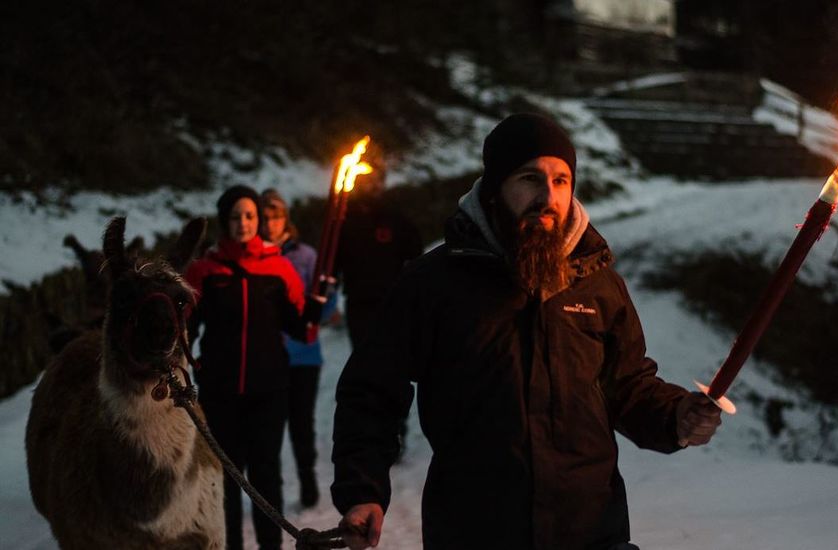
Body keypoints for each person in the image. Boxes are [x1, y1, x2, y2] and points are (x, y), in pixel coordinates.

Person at [330, 113, 723, 550]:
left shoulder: (598, 283)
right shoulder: (434, 284)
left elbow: (628, 386)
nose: (548, 196)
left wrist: (676, 418)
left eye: (560, 180)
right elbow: (371, 391)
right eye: (530, 179)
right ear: (496, 189)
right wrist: (363, 490)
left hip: (591, 532)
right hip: (474, 531)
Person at [186, 185, 321, 550]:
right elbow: (184, 327)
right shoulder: (204, 271)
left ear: (258, 220)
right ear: (224, 221)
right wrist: (191, 362)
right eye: (235, 216)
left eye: (249, 216)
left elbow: (301, 330)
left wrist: (315, 307)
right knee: (225, 480)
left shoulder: (278, 267)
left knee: (266, 478)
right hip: (219, 394)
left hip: (269, 392)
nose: (243, 223)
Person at [260, 188, 337, 508]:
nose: (270, 223)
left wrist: (327, 293)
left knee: (301, 424)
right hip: (266, 357)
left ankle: (308, 484)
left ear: (285, 219)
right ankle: (271, 491)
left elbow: (325, 309)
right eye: (265, 217)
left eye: (276, 216)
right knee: (269, 427)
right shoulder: (255, 257)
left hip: (304, 355)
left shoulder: (305, 256)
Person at [334, 154, 424, 350]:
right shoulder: (343, 219)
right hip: (359, 303)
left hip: (392, 302)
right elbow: (332, 265)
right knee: (363, 358)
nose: (374, 185)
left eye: (378, 180)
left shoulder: (396, 218)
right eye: (369, 180)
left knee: (394, 359)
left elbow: (416, 256)